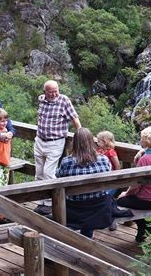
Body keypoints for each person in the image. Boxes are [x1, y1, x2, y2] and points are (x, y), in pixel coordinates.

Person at [34, 80, 82, 215]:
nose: (55, 94)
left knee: (48, 173)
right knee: (38, 173)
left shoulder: (64, 100)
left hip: (55, 142)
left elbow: (74, 118)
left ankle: (50, 203)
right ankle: (40, 201)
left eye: (56, 90)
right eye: (51, 92)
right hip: (39, 141)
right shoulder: (41, 100)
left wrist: (81, 134)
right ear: (45, 92)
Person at [56, 128, 113, 238]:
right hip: (98, 207)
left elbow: (58, 176)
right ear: (92, 142)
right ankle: (87, 235)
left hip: (74, 208)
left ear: (75, 143)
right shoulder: (104, 160)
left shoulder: (66, 162)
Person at [117, 126, 151, 242]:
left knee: (120, 201)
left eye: (142, 139)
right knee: (131, 200)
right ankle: (145, 229)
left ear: (146, 141)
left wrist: (125, 193)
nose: (140, 140)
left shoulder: (144, 160)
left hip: (149, 200)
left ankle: (146, 227)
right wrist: (142, 151)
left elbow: (136, 185)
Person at [96, 130, 121, 231]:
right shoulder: (99, 151)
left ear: (105, 142)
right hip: (102, 181)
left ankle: (112, 220)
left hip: (112, 181)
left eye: (99, 141)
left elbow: (117, 166)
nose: (97, 143)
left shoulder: (111, 152)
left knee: (106, 196)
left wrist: (115, 178)